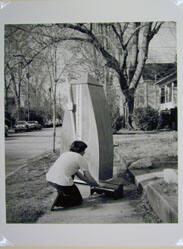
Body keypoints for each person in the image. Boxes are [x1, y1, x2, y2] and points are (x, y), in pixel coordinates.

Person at [46, 140, 99, 210]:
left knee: (70, 177)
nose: (85, 152)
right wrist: (96, 184)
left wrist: (92, 184)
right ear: (81, 150)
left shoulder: (65, 154)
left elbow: (80, 176)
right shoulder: (80, 158)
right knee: (78, 201)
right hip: (61, 183)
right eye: (84, 150)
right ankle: (57, 201)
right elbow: (87, 176)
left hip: (50, 179)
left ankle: (59, 193)